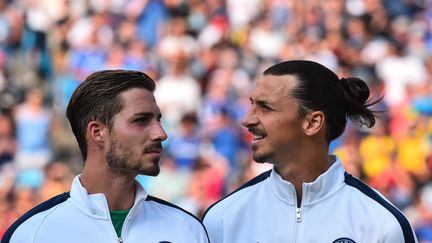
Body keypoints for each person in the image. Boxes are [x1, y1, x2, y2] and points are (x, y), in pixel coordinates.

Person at [202, 60, 418, 243]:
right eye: (252, 104)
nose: (247, 119)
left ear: (313, 122)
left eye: (265, 107)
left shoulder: (383, 223)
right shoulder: (222, 218)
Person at [2, 70, 210, 243]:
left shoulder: (188, 230)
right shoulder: (31, 234)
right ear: (97, 132)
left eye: (158, 119)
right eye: (141, 120)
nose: (161, 133)